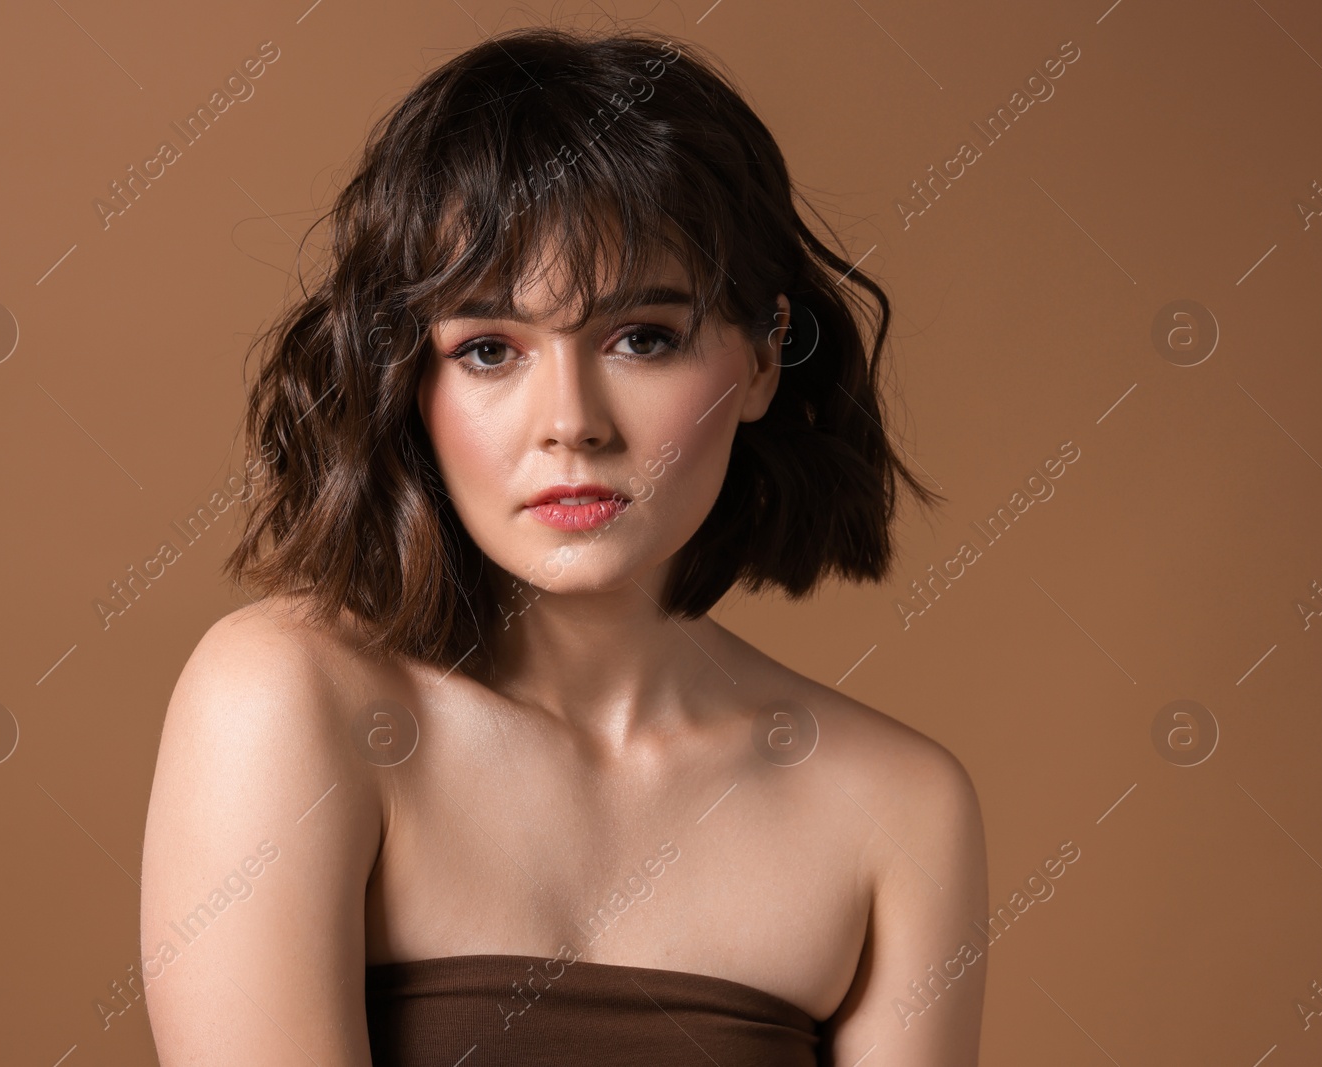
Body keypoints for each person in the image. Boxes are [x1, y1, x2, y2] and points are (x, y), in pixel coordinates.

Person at [140, 24, 988, 1067]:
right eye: (489, 349)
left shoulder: (897, 808)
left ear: (765, 354)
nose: (570, 420)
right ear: (410, 375)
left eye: (642, 337)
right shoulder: (287, 699)